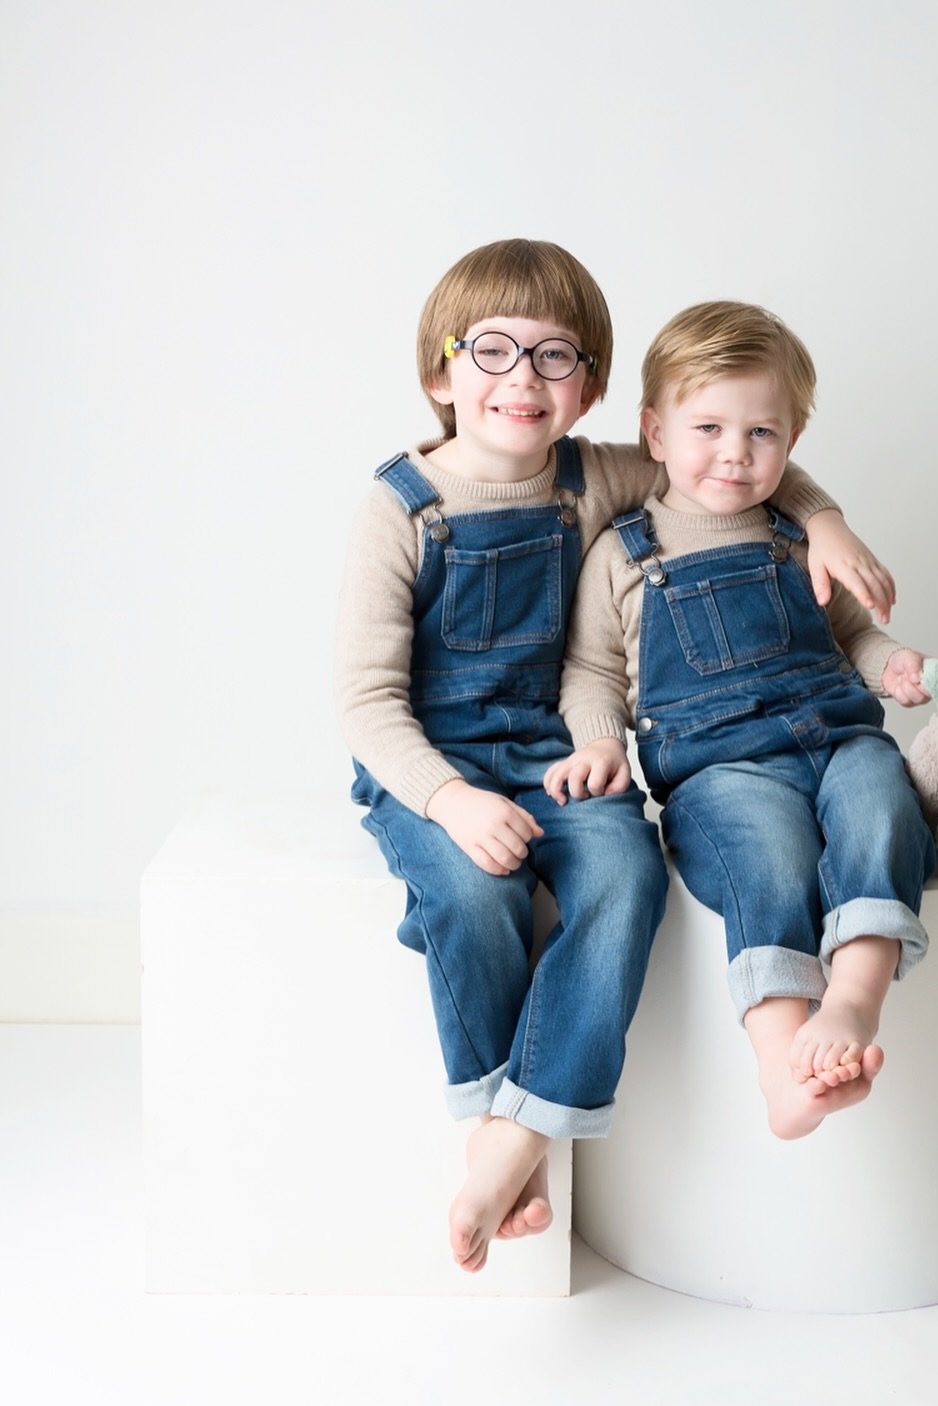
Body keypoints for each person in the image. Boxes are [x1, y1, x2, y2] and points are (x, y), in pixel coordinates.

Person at [335, 244, 894, 1272]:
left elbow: (730, 461)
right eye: (492, 349)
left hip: (559, 756)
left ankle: (522, 1128)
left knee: (627, 871)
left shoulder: (599, 475)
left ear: (591, 386)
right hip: (435, 766)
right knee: (471, 893)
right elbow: (366, 702)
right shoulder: (401, 510)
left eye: (557, 357)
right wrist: (451, 800)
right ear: (437, 373)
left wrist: (823, 518)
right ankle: (502, 1132)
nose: (523, 378)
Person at [546, 300, 937, 1141]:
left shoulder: (796, 534)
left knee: (882, 802)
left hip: (835, 736)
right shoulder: (624, 550)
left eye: (761, 433)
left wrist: (890, 662)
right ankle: (778, 1068)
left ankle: (855, 1001)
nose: (734, 452)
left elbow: (851, 633)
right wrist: (599, 740)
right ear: (654, 432)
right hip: (719, 768)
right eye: (709, 428)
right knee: (765, 858)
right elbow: (590, 670)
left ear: (790, 443)